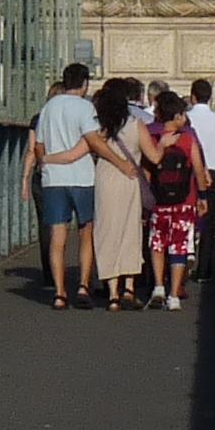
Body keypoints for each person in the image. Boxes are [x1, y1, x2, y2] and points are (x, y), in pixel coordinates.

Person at [29, 63, 100, 309]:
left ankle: (59, 292)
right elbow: (92, 140)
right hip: (81, 177)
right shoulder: (86, 107)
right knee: (85, 233)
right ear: (84, 84)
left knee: (57, 237)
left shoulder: (48, 108)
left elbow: (38, 144)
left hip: (54, 179)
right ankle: (82, 285)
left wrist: (45, 161)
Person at [142, 91, 209, 310]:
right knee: (179, 246)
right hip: (184, 201)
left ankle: (159, 286)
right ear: (177, 115)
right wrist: (203, 196)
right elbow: (198, 170)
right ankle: (174, 296)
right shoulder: (188, 138)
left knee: (158, 243)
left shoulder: (153, 138)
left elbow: (147, 171)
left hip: (159, 201)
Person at [86, 78, 146, 310]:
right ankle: (129, 288)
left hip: (105, 180)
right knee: (130, 231)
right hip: (130, 179)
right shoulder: (136, 124)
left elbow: (84, 148)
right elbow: (154, 155)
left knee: (107, 231)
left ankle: (112, 293)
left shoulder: (98, 127)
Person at [185, 79, 215, 280]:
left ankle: (181, 263)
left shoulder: (186, 118)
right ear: (210, 97)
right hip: (212, 175)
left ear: (192, 96)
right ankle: (204, 270)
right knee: (209, 225)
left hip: (187, 172)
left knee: (186, 219)